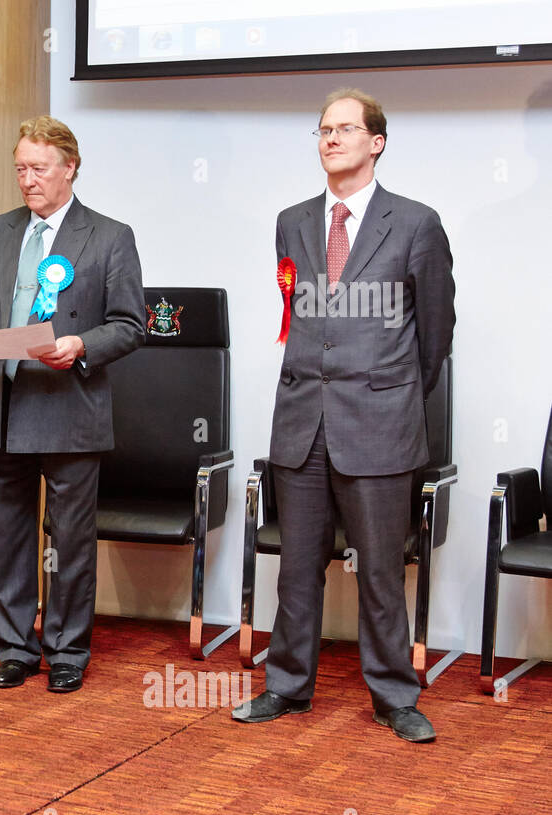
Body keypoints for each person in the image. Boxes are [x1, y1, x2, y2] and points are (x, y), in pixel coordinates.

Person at [232, 88, 455, 742]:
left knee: (382, 574)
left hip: (380, 428)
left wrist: (390, 392)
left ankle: (395, 698)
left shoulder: (416, 223)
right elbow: (298, 317)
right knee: (296, 570)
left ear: (375, 142)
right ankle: (287, 687)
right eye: (324, 129)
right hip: (301, 424)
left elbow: (434, 336)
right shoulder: (292, 220)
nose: (331, 139)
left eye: (346, 129)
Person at [0, 115, 145, 693]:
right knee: (8, 539)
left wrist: (81, 343)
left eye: (38, 168)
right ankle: (15, 648)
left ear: (69, 169)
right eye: (20, 169)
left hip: (69, 407)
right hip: (4, 408)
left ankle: (66, 652)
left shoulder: (110, 236)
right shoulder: (0, 231)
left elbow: (132, 326)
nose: (27, 180)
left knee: (70, 541)